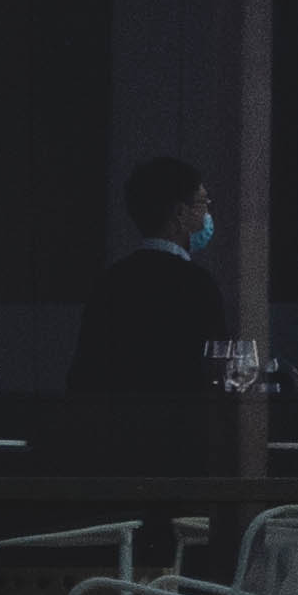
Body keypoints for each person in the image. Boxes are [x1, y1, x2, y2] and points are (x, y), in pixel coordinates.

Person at [63, 156, 240, 476]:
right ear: (179, 213)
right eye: (203, 203)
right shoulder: (199, 287)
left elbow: (82, 375)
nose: (208, 214)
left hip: (111, 457)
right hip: (183, 456)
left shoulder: (110, 282)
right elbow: (218, 374)